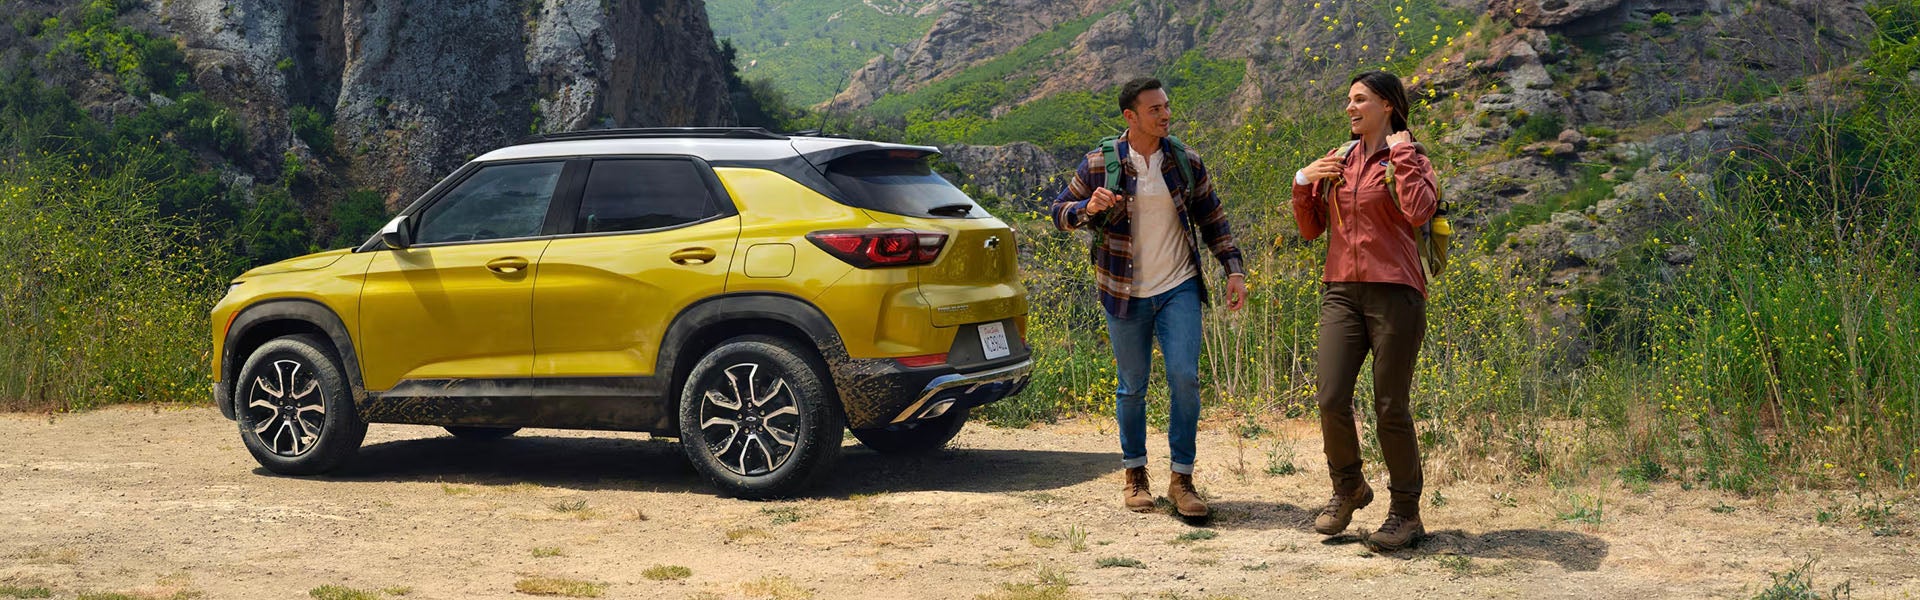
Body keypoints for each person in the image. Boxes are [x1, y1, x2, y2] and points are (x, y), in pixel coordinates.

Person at [1049, 77, 1249, 518]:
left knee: (1185, 378)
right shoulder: (1099, 165)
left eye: (1166, 107)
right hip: (1123, 290)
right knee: (1132, 387)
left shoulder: (1184, 160)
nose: (1165, 115)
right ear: (1130, 116)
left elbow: (1214, 218)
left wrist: (1233, 270)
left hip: (1177, 285)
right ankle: (1135, 474)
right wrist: (1088, 209)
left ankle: (1182, 480)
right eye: (1155, 109)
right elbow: (1058, 212)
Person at [1290, 70, 1438, 550]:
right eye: (1348, 101)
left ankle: (1406, 514)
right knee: (1331, 396)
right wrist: (1302, 181)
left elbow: (1419, 212)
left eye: (1360, 100)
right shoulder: (1340, 160)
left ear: (1388, 106)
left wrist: (1401, 153)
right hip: (1341, 291)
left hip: (1395, 291)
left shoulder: (1410, 158)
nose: (1350, 108)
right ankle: (1349, 487)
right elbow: (1312, 230)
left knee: (1390, 406)